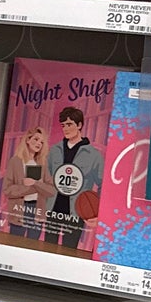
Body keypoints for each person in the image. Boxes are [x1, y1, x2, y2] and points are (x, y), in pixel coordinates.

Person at [46, 103, 102, 249]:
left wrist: (97, 212)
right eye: (63, 125)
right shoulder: (54, 150)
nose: (66, 129)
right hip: (53, 209)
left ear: (79, 125)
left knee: (69, 250)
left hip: (76, 213)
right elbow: (46, 176)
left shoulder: (94, 155)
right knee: (47, 248)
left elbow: (103, 184)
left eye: (69, 124)